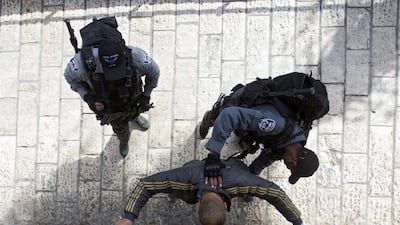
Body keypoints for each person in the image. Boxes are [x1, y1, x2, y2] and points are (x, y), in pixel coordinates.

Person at [64, 17, 160, 158]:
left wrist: (146, 95)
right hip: (110, 107)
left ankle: (135, 117)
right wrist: (88, 97)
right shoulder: (81, 65)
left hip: (133, 98)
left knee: (134, 110)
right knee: (120, 129)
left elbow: (154, 72)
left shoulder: (136, 56)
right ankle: (123, 140)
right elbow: (70, 79)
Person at [200, 81, 320, 188]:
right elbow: (229, 115)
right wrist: (213, 155)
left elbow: (265, 159)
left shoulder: (288, 147)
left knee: (245, 137)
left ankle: (243, 128)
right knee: (222, 115)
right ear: (293, 162)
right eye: (289, 168)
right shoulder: (275, 124)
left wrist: (249, 179)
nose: (286, 166)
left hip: (260, 119)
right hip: (247, 100)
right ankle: (210, 117)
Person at [115, 158, 305, 225]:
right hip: (229, 169)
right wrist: (297, 221)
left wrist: (129, 217)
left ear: (198, 208)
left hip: (192, 173)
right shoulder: (243, 181)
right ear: (225, 205)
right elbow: (276, 194)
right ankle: (171, 192)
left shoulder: (182, 176)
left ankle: (171, 192)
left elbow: (146, 185)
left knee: (170, 185)